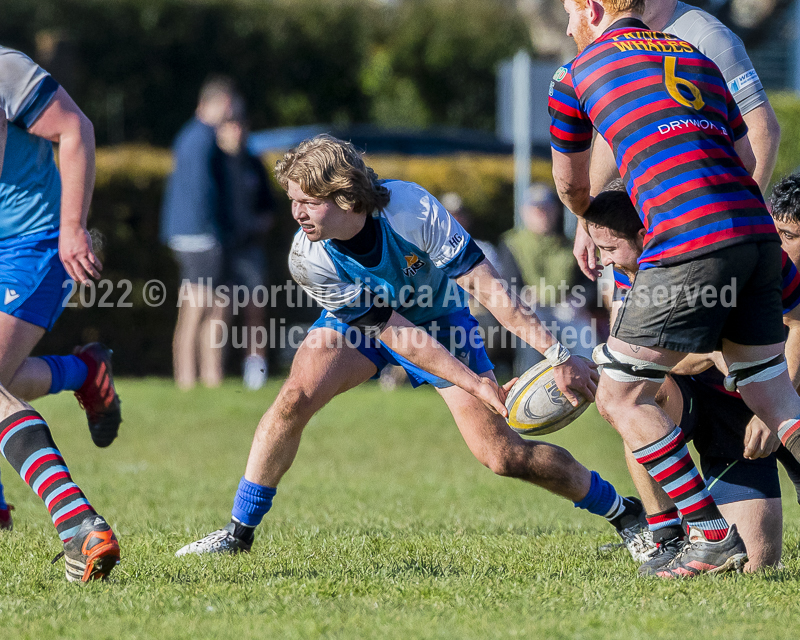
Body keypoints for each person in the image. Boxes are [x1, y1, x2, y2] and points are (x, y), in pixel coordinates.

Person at [175, 134, 651, 558]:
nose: (296, 213)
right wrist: (475, 383)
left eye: (307, 201)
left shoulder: (410, 208)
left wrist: (558, 355)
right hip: (367, 324)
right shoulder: (308, 258)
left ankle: (625, 512)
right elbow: (394, 332)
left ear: (344, 195)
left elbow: (490, 290)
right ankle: (238, 533)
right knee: (292, 399)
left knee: (504, 456)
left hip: (442, 320)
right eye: (292, 200)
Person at [550, 0, 800, 577]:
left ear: (592, 8)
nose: (567, 27)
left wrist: (593, 216)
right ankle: (683, 529)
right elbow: (742, 155)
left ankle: (708, 534)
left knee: (619, 395)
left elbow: (573, 181)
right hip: (757, 237)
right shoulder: (692, 57)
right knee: (776, 396)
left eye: (570, 12)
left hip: (690, 242)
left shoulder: (576, 74)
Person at [583, 187, 800, 573]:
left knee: (756, 565)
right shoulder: (626, 274)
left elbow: (783, 326)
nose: (604, 262)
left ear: (644, 236)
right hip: (701, 397)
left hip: (752, 406)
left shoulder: (716, 256)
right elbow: (640, 360)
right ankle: (669, 535)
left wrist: (765, 406)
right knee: (633, 396)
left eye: (611, 249)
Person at [0, 46, 120, 580]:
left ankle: (79, 527)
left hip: (34, 245)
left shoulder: (4, 68)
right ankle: (83, 371)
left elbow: (75, 130)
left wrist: (74, 227)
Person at [572, 0, 782, 281]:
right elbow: (617, 136)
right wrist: (588, 222)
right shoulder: (619, 41)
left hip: (702, 240)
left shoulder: (707, 36)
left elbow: (763, 130)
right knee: (621, 312)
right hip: (642, 234)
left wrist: (733, 225)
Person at [161, 76, 235, 390]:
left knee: (211, 304)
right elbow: (206, 193)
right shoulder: (206, 139)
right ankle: (190, 378)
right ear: (210, 105)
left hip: (186, 234)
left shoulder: (187, 135)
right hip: (201, 236)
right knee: (200, 306)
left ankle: (206, 376)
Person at [496, 183, 594, 371]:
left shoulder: (569, 244)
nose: (542, 214)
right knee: (531, 319)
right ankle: (530, 378)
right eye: (536, 209)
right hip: (532, 309)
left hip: (565, 309)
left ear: (556, 211)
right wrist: (524, 296)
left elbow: (589, 281)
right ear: (524, 212)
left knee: (581, 326)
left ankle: (590, 377)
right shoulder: (512, 243)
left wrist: (579, 300)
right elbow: (508, 284)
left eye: (547, 209)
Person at [216, 96, 275, 390]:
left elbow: (269, 207)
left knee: (255, 308)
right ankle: (214, 370)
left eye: (240, 125)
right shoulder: (214, 162)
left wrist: (260, 226)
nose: (236, 131)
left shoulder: (254, 163)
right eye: (230, 125)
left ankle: (255, 368)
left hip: (250, 248)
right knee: (217, 310)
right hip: (221, 249)